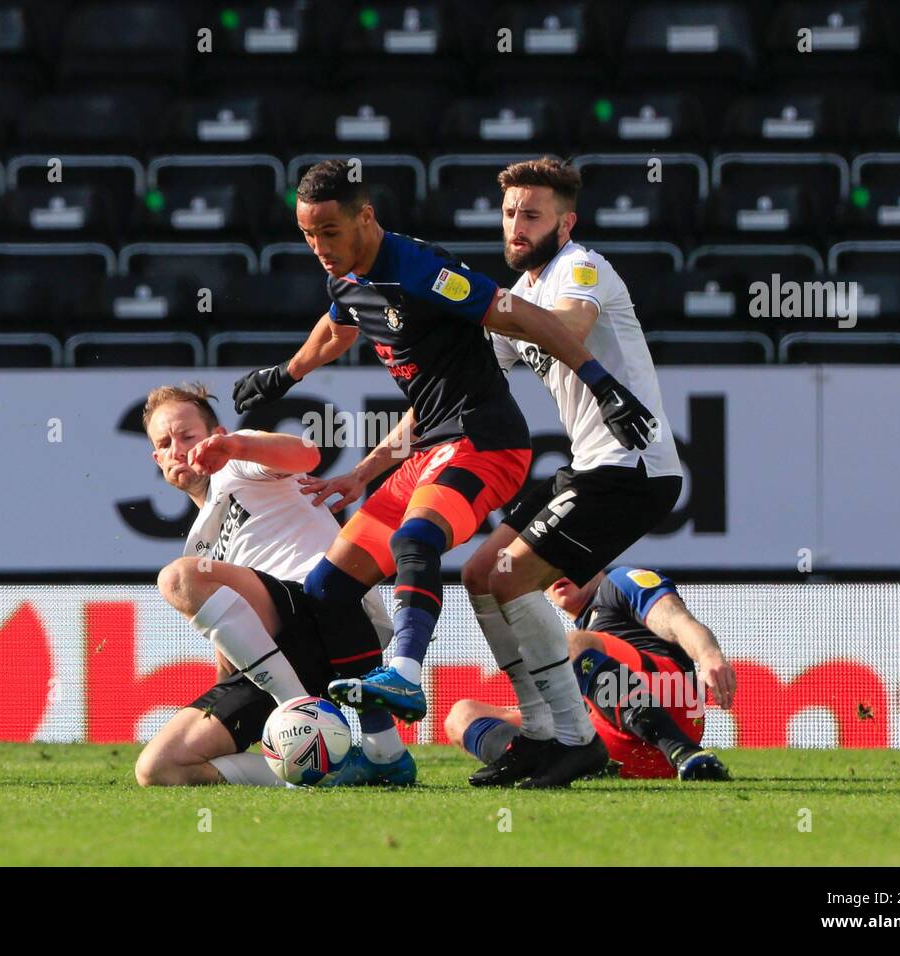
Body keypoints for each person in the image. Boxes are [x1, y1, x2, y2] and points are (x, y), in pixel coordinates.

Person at [232, 158, 658, 787]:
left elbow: (521, 318)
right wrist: (285, 376)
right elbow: (337, 328)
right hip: (429, 447)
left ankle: (405, 670)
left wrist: (601, 383)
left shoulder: (423, 270)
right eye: (307, 235)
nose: (320, 248)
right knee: (329, 588)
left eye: (330, 232)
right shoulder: (348, 279)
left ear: (366, 217)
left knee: (417, 540)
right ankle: (381, 754)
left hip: (486, 441)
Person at [449, 156, 687, 787]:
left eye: (532, 215)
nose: (516, 227)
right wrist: (366, 470)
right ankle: (539, 734)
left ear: (566, 221)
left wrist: (479, 306)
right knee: (479, 573)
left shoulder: (581, 268)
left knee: (512, 577)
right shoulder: (520, 297)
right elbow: (462, 393)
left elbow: (568, 329)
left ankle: (571, 739)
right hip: (590, 467)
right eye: (509, 214)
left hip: (633, 467)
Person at [135, 382, 412, 788]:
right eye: (165, 443)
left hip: (324, 612)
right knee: (159, 768)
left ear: (216, 435)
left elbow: (306, 453)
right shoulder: (199, 541)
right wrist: (230, 702)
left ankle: (297, 707)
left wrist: (235, 447)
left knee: (178, 576)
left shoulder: (236, 461)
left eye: (187, 436)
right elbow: (228, 647)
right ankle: (330, 772)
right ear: (157, 458)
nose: (177, 448)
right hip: (280, 661)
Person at [446, 567, 735, 783]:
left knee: (568, 644)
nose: (558, 569)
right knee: (461, 715)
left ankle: (685, 753)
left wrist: (708, 654)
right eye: (546, 561)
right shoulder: (576, 639)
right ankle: (555, 762)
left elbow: (676, 618)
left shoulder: (618, 583)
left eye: (570, 556)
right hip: (619, 747)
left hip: (673, 703)